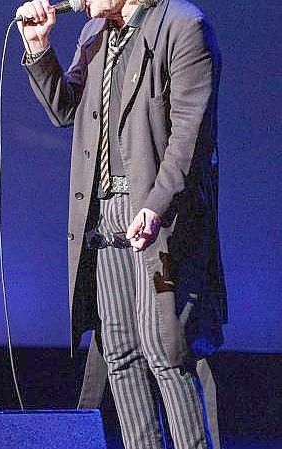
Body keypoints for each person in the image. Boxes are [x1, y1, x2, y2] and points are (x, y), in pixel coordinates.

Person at [14, 0, 226, 447]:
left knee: (166, 350)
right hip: (106, 216)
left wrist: (157, 204)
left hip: (160, 213)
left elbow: (190, 134)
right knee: (121, 353)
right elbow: (65, 108)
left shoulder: (183, 26)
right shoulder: (94, 34)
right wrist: (39, 49)